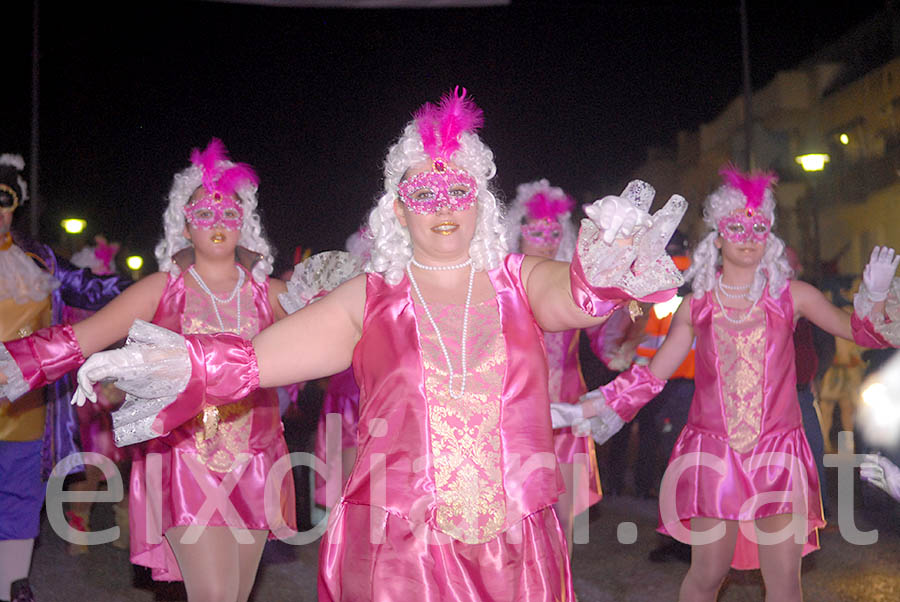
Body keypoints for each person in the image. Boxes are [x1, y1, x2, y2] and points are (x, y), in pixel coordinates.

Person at [73, 88, 687, 601]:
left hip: (514, 546)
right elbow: (251, 362)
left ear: (481, 200)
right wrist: (167, 362)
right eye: (423, 194)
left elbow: (575, 299)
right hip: (399, 551)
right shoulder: (368, 298)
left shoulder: (519, 280)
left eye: (457, 191)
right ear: (398, 209)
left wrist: (601, 274)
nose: (442, 207)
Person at [552, 166, 900, 601]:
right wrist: (586, 408)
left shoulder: (794, 295)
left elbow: (864, 334)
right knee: (706, 575)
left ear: (769, 234)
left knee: (785, 583)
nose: (749, 235)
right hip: (714, 458)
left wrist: (876, 296)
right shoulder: (697, 305)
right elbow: (652, 375)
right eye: (736, 226)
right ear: (717, 236)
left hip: (779, 458)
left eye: (758, 226)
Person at [0, 140, 296, 602]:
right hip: (183, 462)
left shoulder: (272, 294)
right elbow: (82, 337)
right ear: (183, 222)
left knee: (235, 595)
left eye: (228, 212)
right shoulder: (163, 289)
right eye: (203, 212)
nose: (216, 222)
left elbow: (347, 328)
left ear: (246, 221)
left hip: (255, 464)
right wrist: (9, 364)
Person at [0, 154, 132, 602]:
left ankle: (11, 583)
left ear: (15, 204)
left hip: (25, 410)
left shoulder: (41, 260)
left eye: (4, 199)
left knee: (19, 501)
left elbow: (91, 290)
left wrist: (151, 282)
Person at [505, 179, 602, 555]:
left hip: (567, 415)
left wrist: (631, 314)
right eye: (536, 230)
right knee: (515, 520)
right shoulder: (500, 283)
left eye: (553, 231)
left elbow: (606, 339)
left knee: (565, 524)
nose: (545, 239)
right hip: (513, 419)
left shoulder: (571, 284)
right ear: (519, 231)